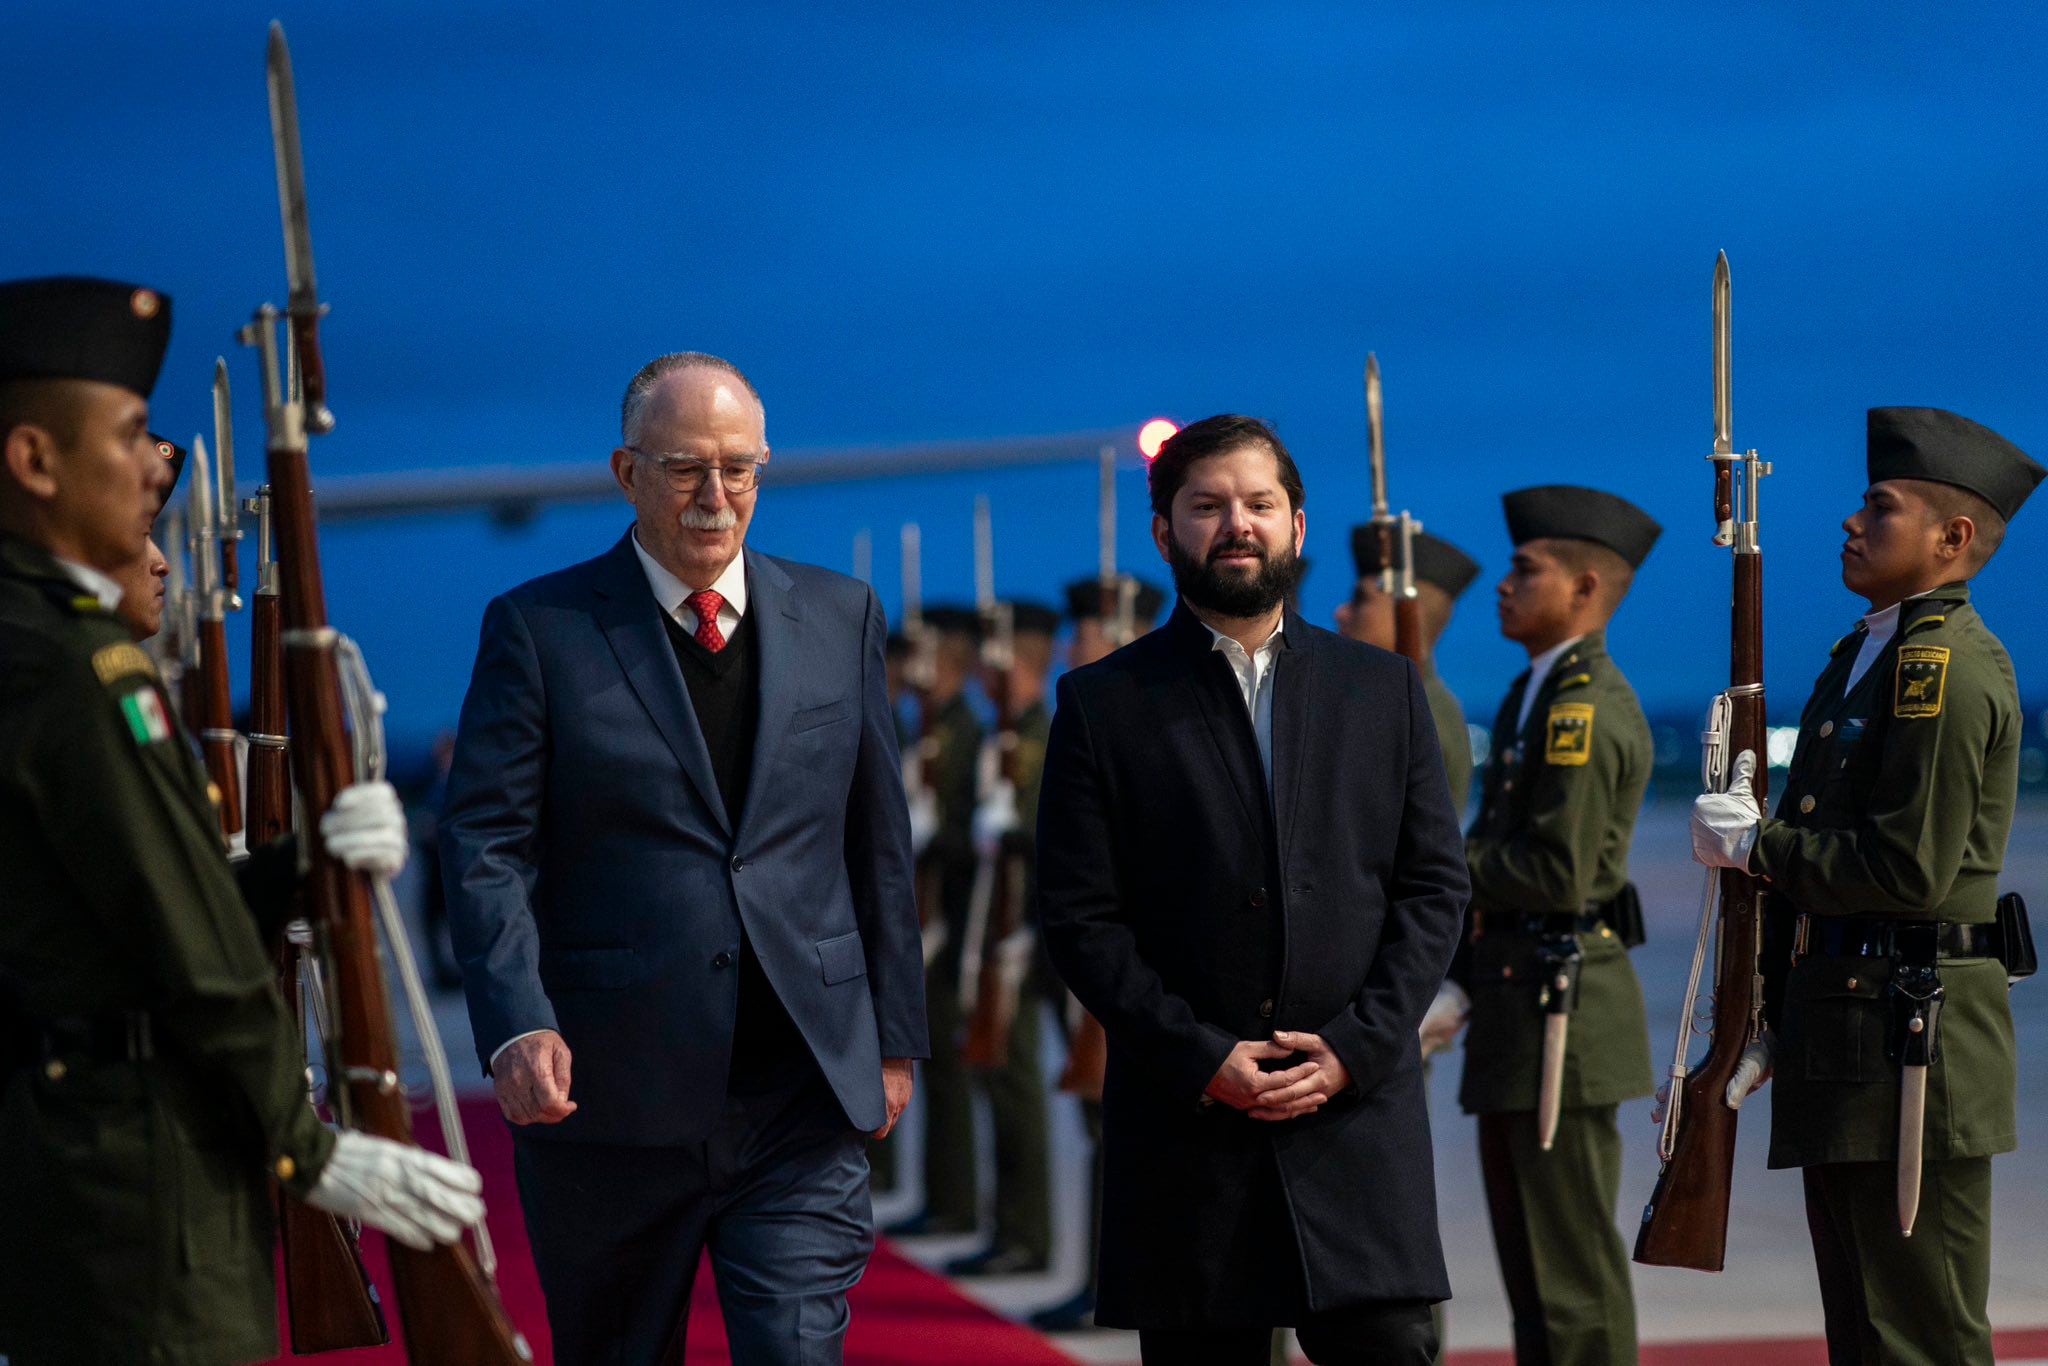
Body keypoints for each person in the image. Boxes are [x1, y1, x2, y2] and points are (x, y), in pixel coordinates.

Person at [0, 275, 480, 1366]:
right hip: (133, 1162)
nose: (150, 467)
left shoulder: (56, 647)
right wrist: (308, 1147)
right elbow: (180, 941)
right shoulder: (66, 665)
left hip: (116, 1139)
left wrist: (304, 862)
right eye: (127, 438)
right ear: (33, 462)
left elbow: (160, 894)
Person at [440, 350, 927, 1365]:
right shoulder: (541, 630)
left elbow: (874, 841)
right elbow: (486, 844)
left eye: (737, 468)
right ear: (625, 472)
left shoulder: (841, 619)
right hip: (611, 1102)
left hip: (799, 1091)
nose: (716, 497)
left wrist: (893, 1033)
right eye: (683, 470)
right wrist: (515, 1020)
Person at [1038, 414, 1468, 1365]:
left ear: (1298, 526)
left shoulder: (1383, 690)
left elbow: (1435, 887)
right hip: (1189, 1129)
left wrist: (1357, 1047)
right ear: (1165, 534)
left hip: (1353, 1120)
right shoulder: (1103, 704)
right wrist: (1200, 1057)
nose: (1238, 524)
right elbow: (1079, 919)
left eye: (1260, 504)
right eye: (1208, 506)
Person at [1694, 407, 2042, 1366]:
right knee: (1864, 1332)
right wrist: (1762, 1003)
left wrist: (1758, 850)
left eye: (1879, 508)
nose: (1851, 522)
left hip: (1907, 1045)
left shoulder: (1944, 667)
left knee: (1918, 1337)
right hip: (1848, 1031)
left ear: (1953, 538)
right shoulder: (1865, 656)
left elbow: (1910, 870)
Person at [1453, 485, 1659, 1366]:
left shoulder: (1582, 706)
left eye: (1524, 570)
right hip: (1521, 1000)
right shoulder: (1534, 693)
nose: (1503, 585)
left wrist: (1430, 867)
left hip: (1559, 1011)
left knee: (1569, 1273)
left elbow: (1558, 871)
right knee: (1535, 1273)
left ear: (1584, 588)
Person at [1028, 573, 1165, 1335]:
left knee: (1128, 1137)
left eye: (1082, 632)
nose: (1068, 646)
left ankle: (1121, 1288)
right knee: (1098, 1130)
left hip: (1142, 970)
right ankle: (1105, 1284)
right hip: (1083, 956)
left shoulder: (1144, 724)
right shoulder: (1085, 718)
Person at [945, 599, 1059, 1278]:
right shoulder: (1003, 738)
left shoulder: (1045, 736)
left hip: (1025, 935)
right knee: (996, 1082)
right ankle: (1008, 1225)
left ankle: (1029, 1235)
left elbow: (1058, 839)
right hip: (991, 934)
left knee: (1019, 1090)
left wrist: (1012, 835)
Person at [883, 604, 984, 1236]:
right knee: (936, 1072)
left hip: (956, 916)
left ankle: (961, 1203)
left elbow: (974, 833)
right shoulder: (926, 729)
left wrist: (936, 830)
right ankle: (942, 1198)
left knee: (956, 1070)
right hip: (924, 916)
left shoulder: (968, 731)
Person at [1336, 525, 1480, 812]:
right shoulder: (1397, 702)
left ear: (1407, 613)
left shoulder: (1423, 714)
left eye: (1361, 599)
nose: (1340, 612)